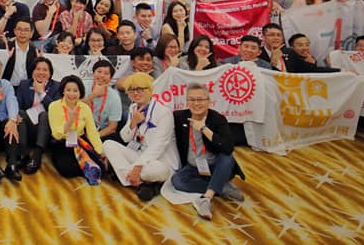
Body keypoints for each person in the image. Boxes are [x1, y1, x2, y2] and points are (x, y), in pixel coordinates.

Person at [101, 71, 178, 201]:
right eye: (131, 90)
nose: (135, 93)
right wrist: (133, 123)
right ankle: (138, 182)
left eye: (140, 89)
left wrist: (137, 167)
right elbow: (124, 137)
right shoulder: (133, 108)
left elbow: (158, 146)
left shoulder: (164, 113)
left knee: (156, 171)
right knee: (108, 145)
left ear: (150, 90)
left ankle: (130, 176)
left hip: (160, 161)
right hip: (140, 154)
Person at [172, 83, 245, 219]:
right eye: (192, 99)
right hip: (193, 166)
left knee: (226, 157)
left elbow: (228, 147)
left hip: (215, 165)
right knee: (177, 181)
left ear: (208, 101)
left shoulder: (217, 119)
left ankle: (206, 198)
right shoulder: (179, 117)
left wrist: (204, 129)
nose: (196, 103)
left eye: (200, 99)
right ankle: (221, 187)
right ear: (187, 101)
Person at [46, 75, 107, 184]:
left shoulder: (85, 108)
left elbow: (92, 132)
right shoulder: (54, 106)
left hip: (79, 140)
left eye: (75, 91)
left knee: (102, 168)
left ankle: (89, 167)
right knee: (67, 170)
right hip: (61, 142)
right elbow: (56, 134)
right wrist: (70, 120)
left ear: (80, 93)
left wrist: (100, 151)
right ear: (63, 91)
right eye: (68, 90)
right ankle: (87, 168)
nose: (72, 94)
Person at [13, 56, 60, 175]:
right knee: (20, 113)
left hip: (46, 129)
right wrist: (16, 115)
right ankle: (23, 154)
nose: (41, 72)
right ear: (32, 71)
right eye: (38, 69)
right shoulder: (24, 84)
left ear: (50, 73)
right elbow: (17, 105)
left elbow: (56, 110)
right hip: (28, 127)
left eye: (45, 70)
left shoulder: (57, 86)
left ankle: (37, 156)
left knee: (45, 115)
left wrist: (41, 93)